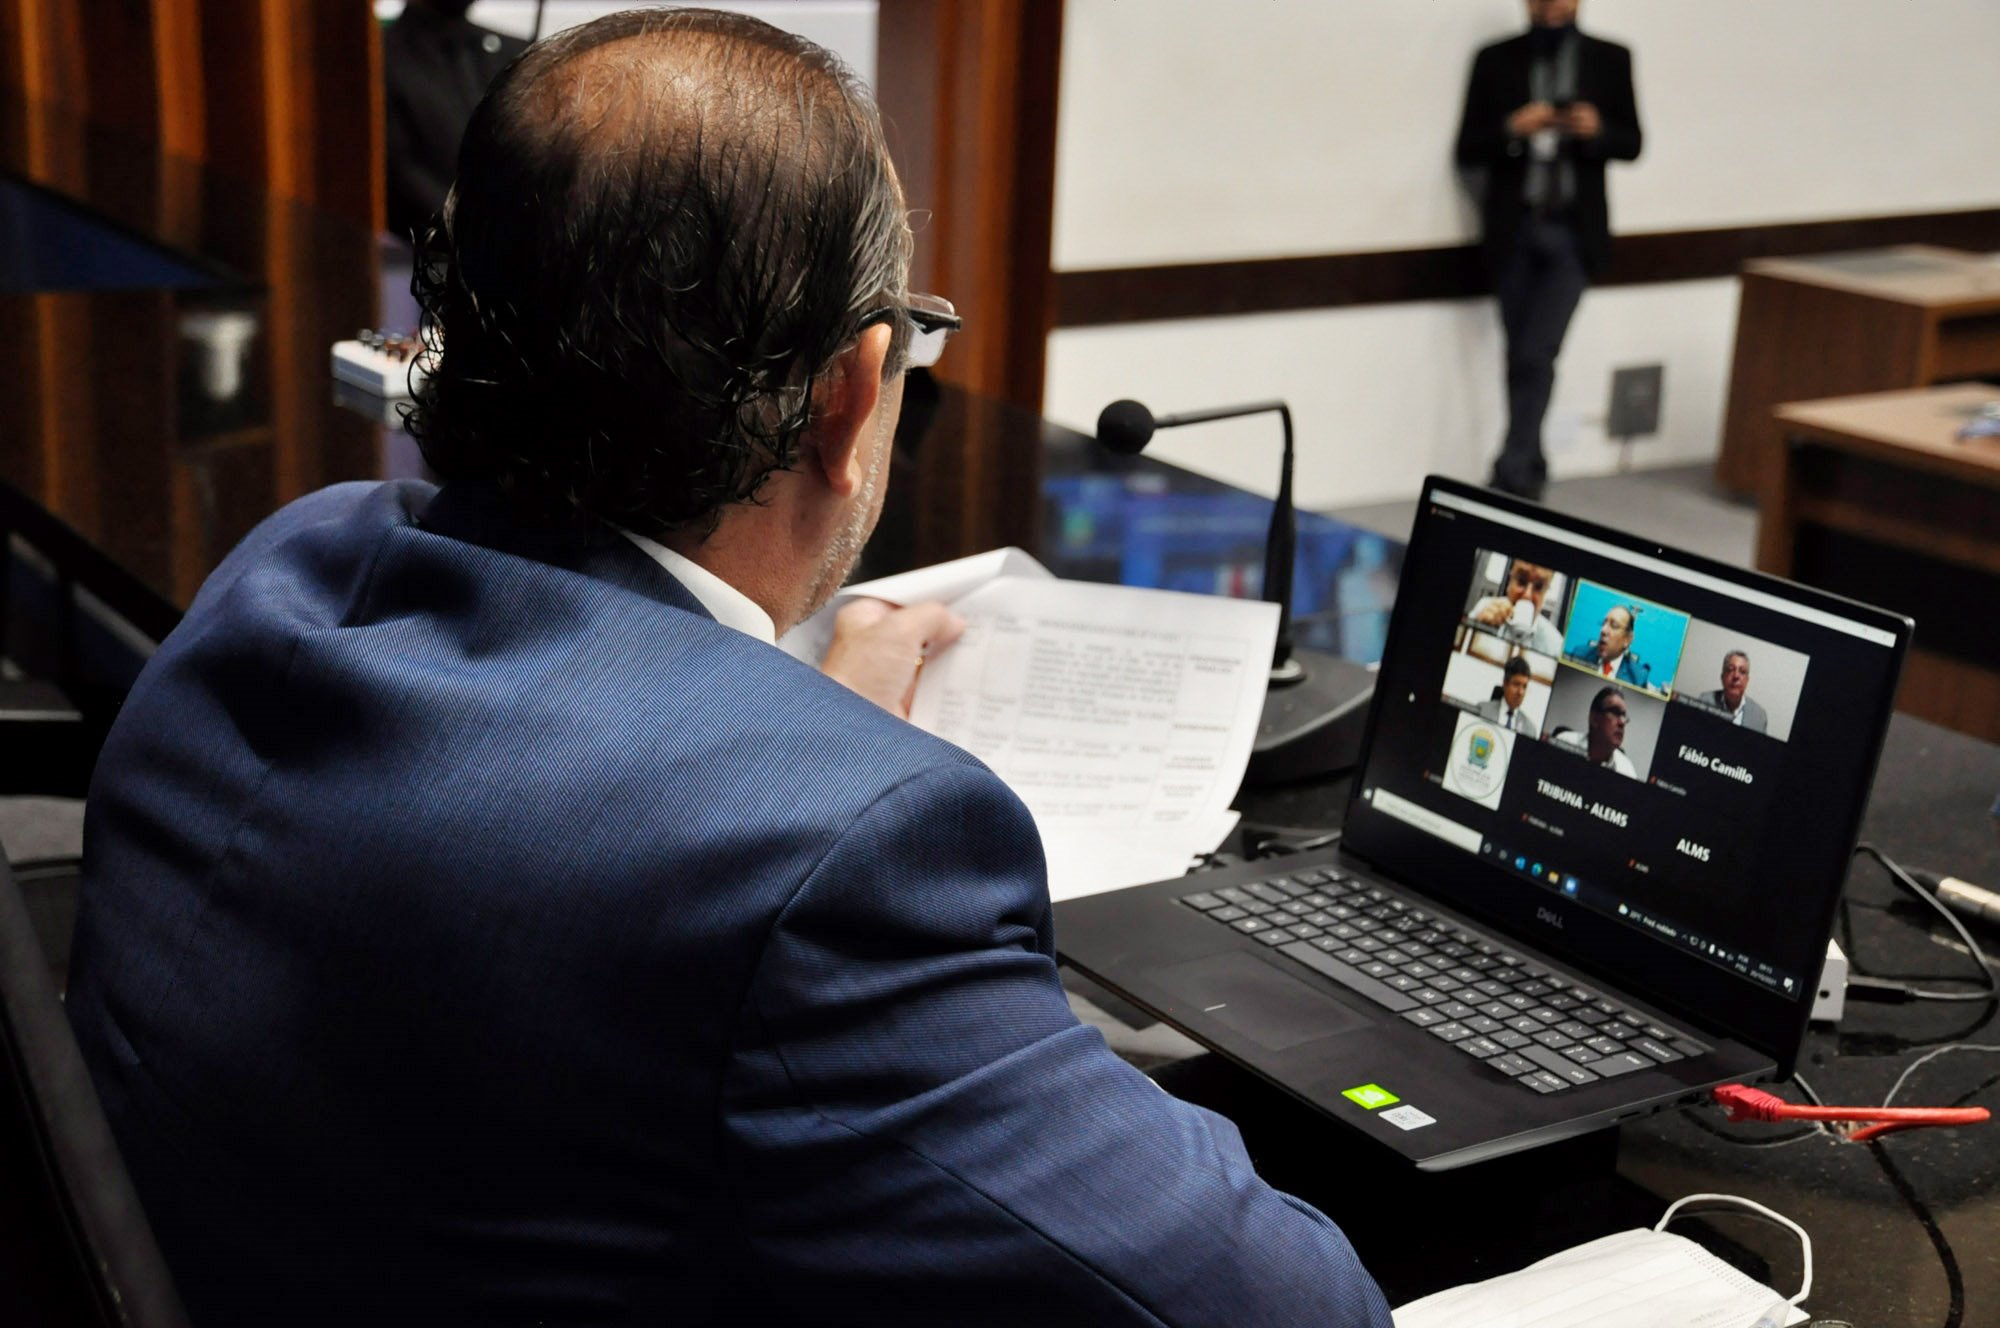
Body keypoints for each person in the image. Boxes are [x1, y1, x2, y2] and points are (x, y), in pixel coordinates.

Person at [63, 11, 1391, 1326]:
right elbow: (1288, 1307)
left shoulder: (295, 562)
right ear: (849, 396)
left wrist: (800, 731)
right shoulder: (835, 862)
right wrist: (821, 785)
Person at [1455, 0, 1641, 500]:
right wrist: (1513, 129)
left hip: (1573, 230)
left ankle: (1511, 468)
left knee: (1538, 351)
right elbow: (1467, 147)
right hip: (1515, 227)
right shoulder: (1496, 59)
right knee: (1521, 352)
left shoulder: (1609, 58)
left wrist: (1597, 131)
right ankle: (1529, 462)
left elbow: (1632, 142)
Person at [383, 0, 528, 243]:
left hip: (520, 242)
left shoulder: (514, 53)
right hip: (426, 248)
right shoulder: (378, 60)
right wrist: (479, 232)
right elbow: (400, 173)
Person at [1467, 556, 1563, 653]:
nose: (1527, 595)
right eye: (1521, 581)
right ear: (1510, 582)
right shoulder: (1485, 607)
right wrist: (1480, 627)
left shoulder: (1555, 643)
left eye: (1538, 587)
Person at [1552, 685, 1637, 777]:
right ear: (1594, 718)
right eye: (1615, 712)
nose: (1622, 722)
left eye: (1623, 716)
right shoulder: (1563, 741)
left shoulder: (1627, 770)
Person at [1569, 604, 1649, 686]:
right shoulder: (1579, 654)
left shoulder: (1638, 678)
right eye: (1603, 624)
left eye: (1614, 626)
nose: (1603, 630)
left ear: (1627, 639)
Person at [1697, 650, 1769, 734]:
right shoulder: (1704, 701)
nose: (1736, 676)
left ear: (1747, 681)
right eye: (1730, 670)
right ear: (1722, 677)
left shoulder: (1760, 716)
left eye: (1742, 671)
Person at [1476, 656, 1537, 734]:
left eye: (1524, 687)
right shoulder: (1482, 710)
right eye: (1516, 684)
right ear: (1505, 684)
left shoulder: (1530, 730)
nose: (1520, 692)